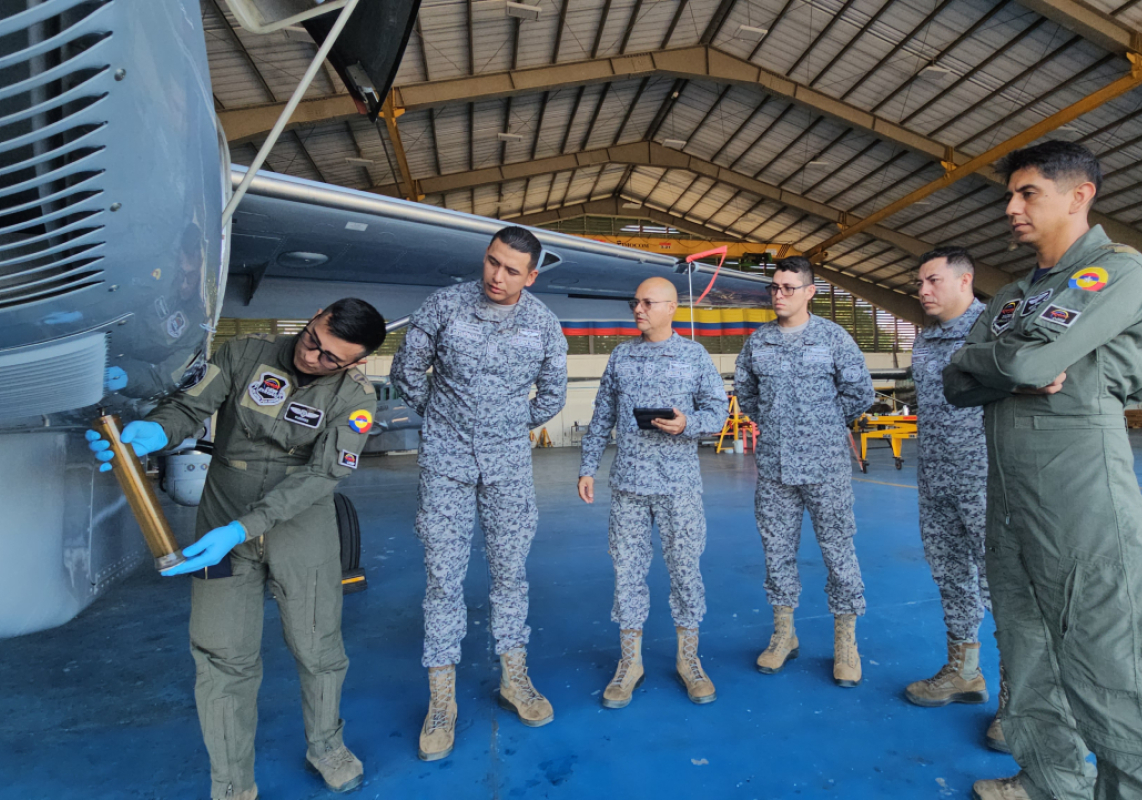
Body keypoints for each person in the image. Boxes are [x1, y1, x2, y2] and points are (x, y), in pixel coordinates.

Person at [943, 141, 1142, 800]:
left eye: (1027, 193)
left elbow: (1016, 368)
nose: (1011, 208)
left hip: (1080, 494)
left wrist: (999, 366)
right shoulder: (1017, 295)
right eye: (1011, 195)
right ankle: (1052, 781)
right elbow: (953, 382)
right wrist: (1007, 366)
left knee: (1119, 667)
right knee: (1025, 655)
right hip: (1011, 499)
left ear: (1079, 194)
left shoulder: (1119, 271)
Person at [85, 298, 386, 800]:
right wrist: (156, 431)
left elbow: (323, 475)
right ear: (311, 318)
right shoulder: (245, 352)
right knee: (222, 656)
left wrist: (245, 527)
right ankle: (230, 784)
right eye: (313, 339)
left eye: (331, 357)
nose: (312, 357)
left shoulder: (355, 398)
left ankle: (326, 745)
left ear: (353, 363)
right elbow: (190, 406)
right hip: (220, 526)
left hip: (300, 531)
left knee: (319, 649)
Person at [391, 226, 568, 763]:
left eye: (512, 270)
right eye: (493, 262)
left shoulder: (543, 324)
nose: (497, 276)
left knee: (510, 574)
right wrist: (445, 418)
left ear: (531, 276)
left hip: (509, 466)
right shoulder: (444, 306)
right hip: (445, 462)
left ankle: (515, 678)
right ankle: (441, 701)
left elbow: (552, 396)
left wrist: (505, 423)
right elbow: (406, 372)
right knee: (443, 579)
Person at [577, 277, 729, 708]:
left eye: (647, 302)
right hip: (628, 485)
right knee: (627, 573)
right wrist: (588, 466)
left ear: (671, 308)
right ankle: (630, 662)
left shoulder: (693, 355)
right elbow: (601, 413)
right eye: (635, 302)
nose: (637, 309)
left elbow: (718, 411)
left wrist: (688, 424)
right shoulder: (621, 356)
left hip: (678, 486)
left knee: (685, 570)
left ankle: (689, 659)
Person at [734, 256, 874, 686]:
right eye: (774, 287)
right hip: (774, 467)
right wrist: (777, 426)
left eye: (788, 287)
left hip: (825, 467)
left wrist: (824, 427)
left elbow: (860, 392)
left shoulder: (833, 338)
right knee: (776, 554)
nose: (779, 294)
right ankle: (784, 635)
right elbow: (747, 392)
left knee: (838, 553)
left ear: (810, 292)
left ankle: (846, 643)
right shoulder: (758, 342)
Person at [907, 247, 1008, 751]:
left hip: (987, 479)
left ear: (966, 279)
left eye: (932, 280)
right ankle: (964, 672)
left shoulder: (993, 331)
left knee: (1004, 584)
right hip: (936, 480)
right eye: (920, 282)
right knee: (950, 575)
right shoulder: (923, 342)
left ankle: (1018, 698)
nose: (923, 290)